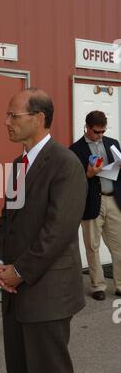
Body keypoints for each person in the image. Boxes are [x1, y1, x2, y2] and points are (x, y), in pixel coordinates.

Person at [0, 88, 87, 373]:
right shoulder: (19, 164)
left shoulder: (65, 163)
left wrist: (19, 272)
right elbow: (8, 221)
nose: (7, 122)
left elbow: (57, 231)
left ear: (39, 118)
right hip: (15, 296)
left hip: (48, 296)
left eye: (13, 116)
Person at [70, 110, 121, 301]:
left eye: (103, 132)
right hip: (91, 203)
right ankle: (98, 285)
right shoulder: (75, 150)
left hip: (114, 200)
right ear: (87, 128)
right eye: (97, 132)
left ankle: (119, 284)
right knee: (92, 246)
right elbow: (73, 182)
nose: (100, 136)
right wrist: (89, 174)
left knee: (119, 245)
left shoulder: (113, 143)